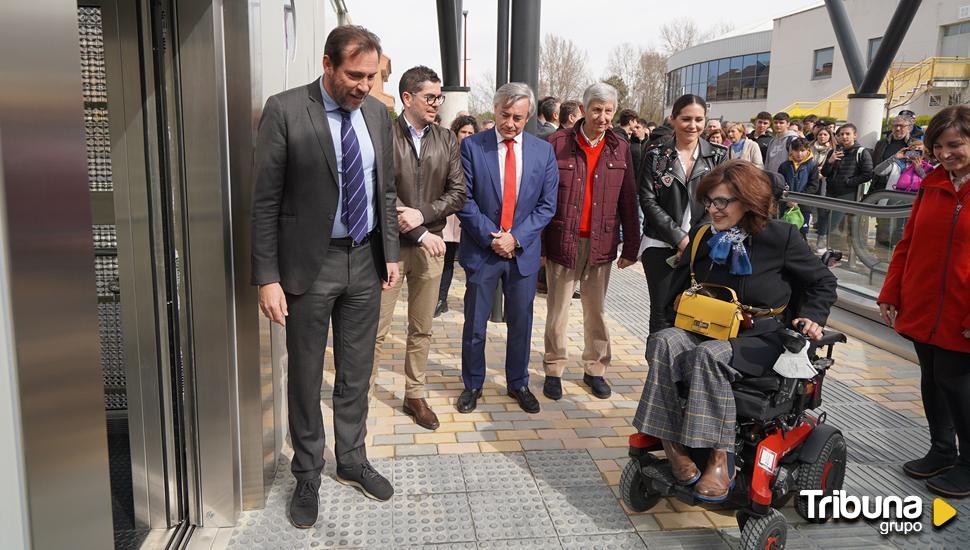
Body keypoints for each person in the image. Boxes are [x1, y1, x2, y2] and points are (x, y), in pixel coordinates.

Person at [251, 25, 399, 528]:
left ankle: (352, 459)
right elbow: (265, 200)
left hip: (366, 260)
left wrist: (391, 253)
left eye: (372, 77)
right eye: (355, 76)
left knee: (356, 371)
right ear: (327, 64)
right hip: (308, 266)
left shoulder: (379, 114)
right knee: (307, 374)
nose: (364, 86)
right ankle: (308, 471)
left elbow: (386, 192)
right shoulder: (287, 108)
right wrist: (266, 276)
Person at [634, 160, 837, 501]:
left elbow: (822, 281)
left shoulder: (780, 237)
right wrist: (666, 323)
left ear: (748, 200)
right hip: (708, 326)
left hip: (762, 337)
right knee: (664, 342)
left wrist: (812, 317)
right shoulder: (702, 236)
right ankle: (672, 446)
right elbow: (678, 287)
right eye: (709, 201)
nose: (713, 209)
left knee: (707, 356)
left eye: (721, 202)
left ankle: (719, 457)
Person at [878, 105, 970, 498]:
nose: (946, 153)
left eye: (955, 145)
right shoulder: (932, 184)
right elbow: (908, 242)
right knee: (933, 379)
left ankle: (968, 464)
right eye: (939, 146)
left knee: (958, 383)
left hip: (961, 309)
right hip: (924, 303)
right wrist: (892, 290)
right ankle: (942, 449)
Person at [455, 82, 558, 414]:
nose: (510, 123)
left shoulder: (543, 152)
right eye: (504, 115)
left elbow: (547, 205)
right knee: (475, 325)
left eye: (517, 117)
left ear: (527, 117)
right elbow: (464, 199)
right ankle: (472, 384)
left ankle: (518, 382)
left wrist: (515, 238)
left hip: (522, 253)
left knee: (521, 323)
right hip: (483, 251)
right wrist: (492, 236)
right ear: (495, 110)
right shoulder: (472, 147)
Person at [372, 66, 466, 430]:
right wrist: (419, 231)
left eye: (439, 97)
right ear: (407, 98)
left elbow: (457, 193)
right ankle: (360, 397)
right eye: (430, 97)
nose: (436, 103)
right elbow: (380, 194)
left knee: (421, 328)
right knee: (376, 330)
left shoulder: (446, 139)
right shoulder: (383, 135)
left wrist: (423, 215)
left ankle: (415, 393)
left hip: (431, 249)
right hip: (389, 250)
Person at [542, 82, 641, 401]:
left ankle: (595, 368)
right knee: (557, 311)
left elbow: (628, 198)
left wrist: (632, 244)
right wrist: (541, 247)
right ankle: (554, 368)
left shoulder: (619, 147)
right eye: (596, 109)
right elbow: (542, 197)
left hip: (602, 242)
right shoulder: (556, 142)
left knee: (595, 310)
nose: (602, 117)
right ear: (582, 110)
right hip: (562, 240)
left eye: (608, 111)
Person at [638, 94, 727, 335]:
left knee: (697, 314)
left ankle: (687, 370)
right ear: (673, 119)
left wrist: (694, 240)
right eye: (686, 118)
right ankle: (659, 370)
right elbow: (647, 199)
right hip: (659, 244)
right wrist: (680, 239)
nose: (693, 125)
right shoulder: (656, 155)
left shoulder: (718, 156)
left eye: (699, 119)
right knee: (662, 313)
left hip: (703, 247)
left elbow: (721, 201)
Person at [437, 115, 479, 317]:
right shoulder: (448, 151)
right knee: (446, 258)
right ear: (456, 132)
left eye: (471, 133)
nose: (467, 136)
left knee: (469, 261)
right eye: (464, 132)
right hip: (449, 214)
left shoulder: (478, 153)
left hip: (469, 216)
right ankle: (441, 298)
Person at [816, 123, 873, 252]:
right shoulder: (834, 151)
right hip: (830, 191)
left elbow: (868, 174)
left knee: (835, 223)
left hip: (847, 194)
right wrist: (830, 161)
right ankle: (824, 243)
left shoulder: (862, 152)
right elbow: (825, 172)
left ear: (855, 135)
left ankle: (835, 248)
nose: (844, 137)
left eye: (848, 134)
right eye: (841, 134)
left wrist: (849, 182)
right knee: (824, 217)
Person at [777, 138, 820, 238]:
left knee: (801, 234)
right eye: (796, 150)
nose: (799, 154)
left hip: (804, 206)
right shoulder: (784, 166)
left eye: (802, 150)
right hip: (786, 206)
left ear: (807, 150)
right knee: (785, 233)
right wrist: (786, 199)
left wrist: (798, 200)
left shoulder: (812, 166)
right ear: (791, 151)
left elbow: (813, 186)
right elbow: (780, 184)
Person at [871, 115, 916, 194]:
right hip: (879, 185)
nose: (898, 128)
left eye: (901, 126)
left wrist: (906, 153)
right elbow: (875, 162)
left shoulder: (914, 144)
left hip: (901, 187)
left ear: (909, 128)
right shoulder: (881, 143)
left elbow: (918, 159)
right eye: (895, 125)